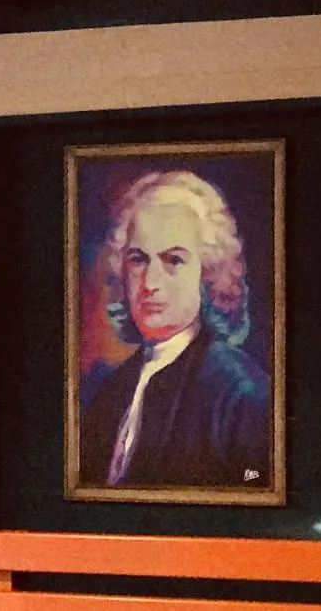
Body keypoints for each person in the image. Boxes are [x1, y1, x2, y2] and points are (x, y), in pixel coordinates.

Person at [79, 170, 270, 489]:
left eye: (174, 260)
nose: (150, 283)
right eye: (138, 259)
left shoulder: (241, 394)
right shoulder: (110, 392)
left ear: (208, 273)